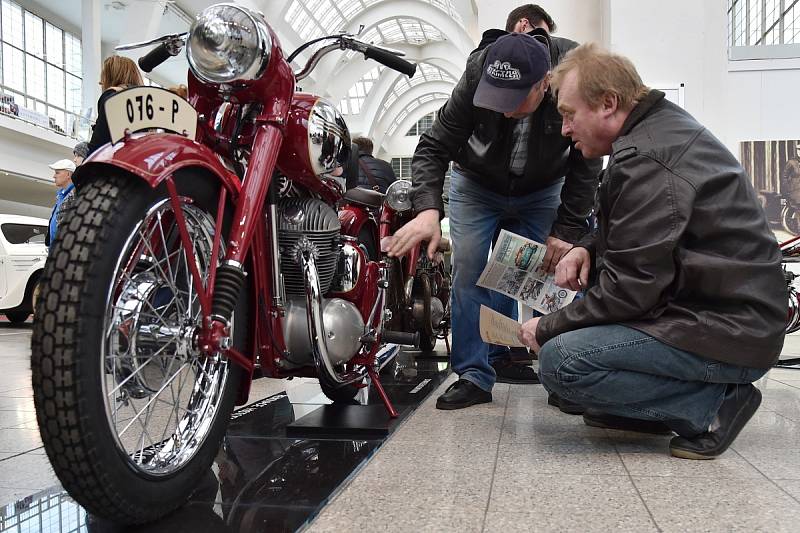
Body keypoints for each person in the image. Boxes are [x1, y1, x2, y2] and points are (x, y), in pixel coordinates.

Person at [517, 43, 787, 459]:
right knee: (574, 350)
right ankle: (645, 411)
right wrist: (588, 246)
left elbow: (631, 292)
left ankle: (713, 407)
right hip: (724, 319)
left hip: (730, 332)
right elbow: (644, 232)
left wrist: (548, 326)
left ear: (608, 103)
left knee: (562, 362)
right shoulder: (655, 135)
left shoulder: (649, 159)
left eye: (570, 114)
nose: (565, 128)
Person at [388, 23, 602, 408]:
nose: (502, 108)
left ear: (544, 84)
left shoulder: (572, 77)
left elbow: (587, 157)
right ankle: (473, 374)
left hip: (543, 187)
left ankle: (558, 372)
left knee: (550, 274)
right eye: (496, 97)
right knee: (469, 268)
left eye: (513, 98)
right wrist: (427, 211)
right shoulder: (477, 73)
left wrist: (567, 228)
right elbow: (434, 146)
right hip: (476, 184)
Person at [86, 56, 144, 156]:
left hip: (116, 161)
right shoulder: (145, 99)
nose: (101, 82)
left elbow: (99, 143)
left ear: (110, 77)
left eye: (103, 77)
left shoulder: (111, 97)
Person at [46, 159, 77, 247]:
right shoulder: (61, 196)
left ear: (68, 174)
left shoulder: (75, 196)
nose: (54, 176)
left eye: (57, 173)